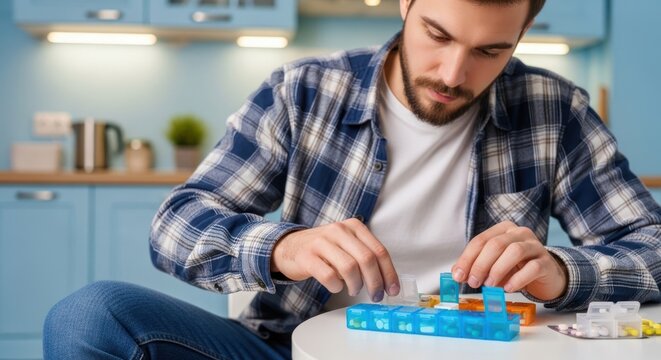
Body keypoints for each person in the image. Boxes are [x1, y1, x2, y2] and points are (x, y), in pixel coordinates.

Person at [44, 0, 661, 358]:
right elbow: (175, 227)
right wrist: (286, 247)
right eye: (438, 35)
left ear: (521, 37)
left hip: (480, 356)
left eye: (489, 52)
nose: (452, 72)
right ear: (406, 4)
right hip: (290, 351)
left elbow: (652, 248)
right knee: (87, 316)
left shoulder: (555, 108)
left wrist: (561, 271)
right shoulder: (303, 91)